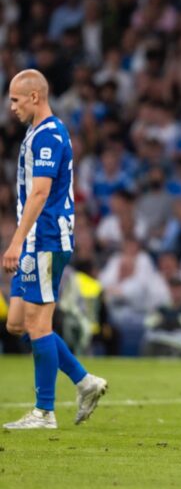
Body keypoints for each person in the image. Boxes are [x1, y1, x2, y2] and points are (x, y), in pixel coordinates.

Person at [2, 69, 107, 429]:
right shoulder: (36, 132)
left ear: (34, 97)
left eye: (15, 99)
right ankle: (84, 381)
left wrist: (16, 240)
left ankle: (44, 411)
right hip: (34, 240)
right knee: (17, 323)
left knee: (37, 322)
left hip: (45, 239)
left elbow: (41, 192)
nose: (10, 106)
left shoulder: (48, 137)